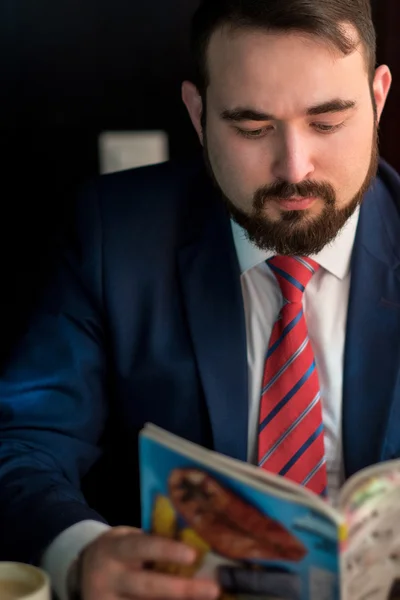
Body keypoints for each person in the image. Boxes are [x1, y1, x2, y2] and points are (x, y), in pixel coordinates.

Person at [0, 0, 397, 598]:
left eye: (327, 122)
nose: (295, 169)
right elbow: (22, 439)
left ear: (378, 97)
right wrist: (81, 553)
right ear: (198, 112)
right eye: (252, 128)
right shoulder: (117, 235)